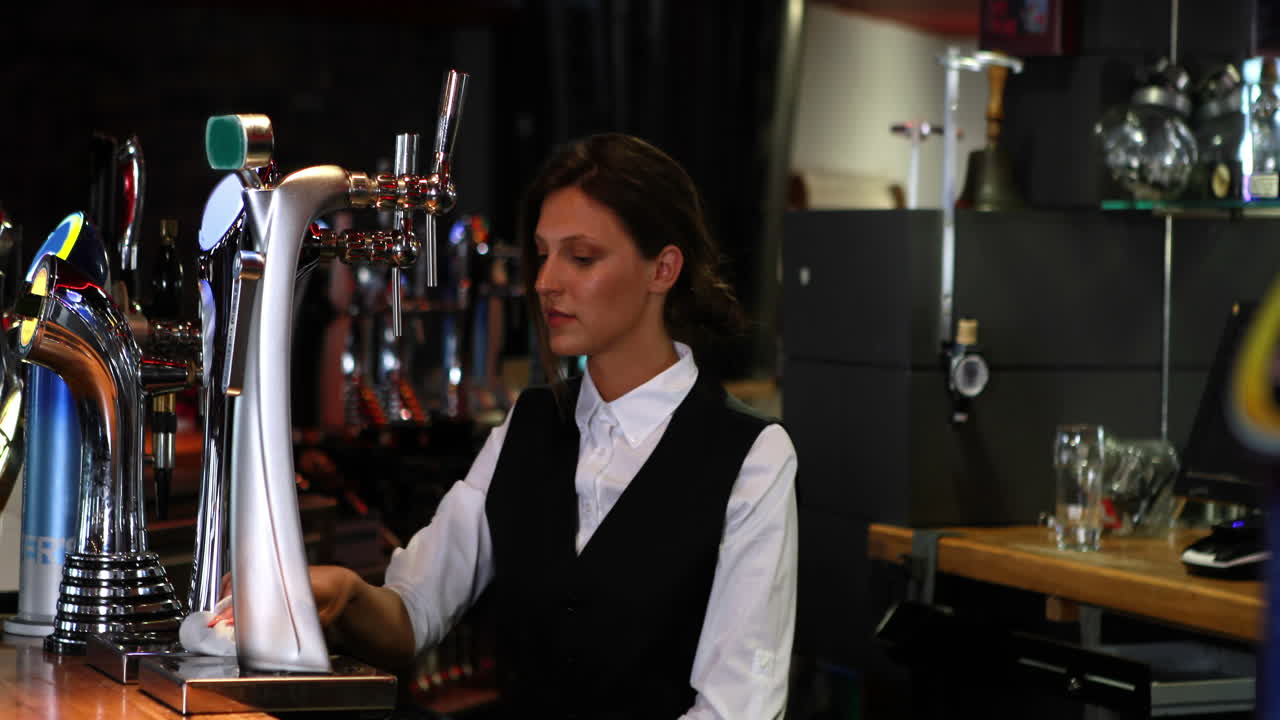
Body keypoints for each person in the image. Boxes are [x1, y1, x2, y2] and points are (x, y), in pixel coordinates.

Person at [305, 133, 798, 718]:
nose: (545, 282)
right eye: (544, 253)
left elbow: (737, 707)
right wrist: (345, 596)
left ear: (662, 269)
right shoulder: (530, 424)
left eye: (581, 257)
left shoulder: (752, 456)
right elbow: (414, 613)